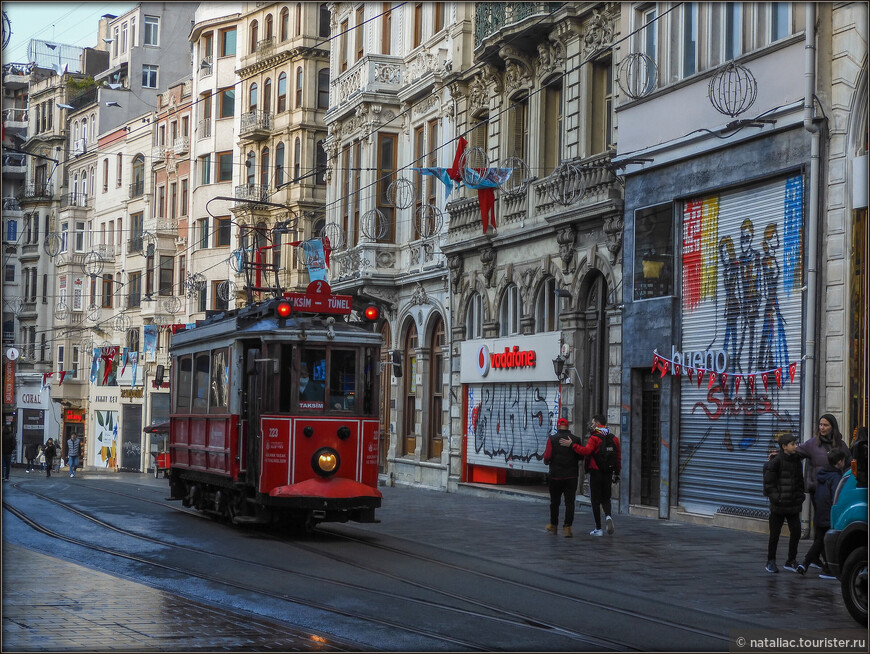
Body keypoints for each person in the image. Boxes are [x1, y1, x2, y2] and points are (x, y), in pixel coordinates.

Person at [797, 413, 851, 568]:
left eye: (825, 425)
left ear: (832, 427)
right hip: (818, 490)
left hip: (835, 490)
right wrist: (779, 455)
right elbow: (797, 453)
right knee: (824, 525)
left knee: (824, 526)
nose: (822, 428)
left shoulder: (840, 444)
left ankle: (815, 559)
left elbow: (848, 462)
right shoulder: (813, 444)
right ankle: (825, 562)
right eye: (820, 425)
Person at [797, 449, 846, 578]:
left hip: (819, 512)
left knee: (819, 541)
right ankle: (828, 569)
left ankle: (806, 564)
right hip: (829, 514)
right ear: (840, 462)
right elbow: (836, 496)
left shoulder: (822, 474)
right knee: (827, 541)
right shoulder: (836, 477)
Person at [572, 414, 621, 537]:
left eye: (593, 423)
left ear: (598, 424)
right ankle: (608, 516)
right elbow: (618, 458)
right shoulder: (614, 438)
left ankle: (598, 528)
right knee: (606, 498)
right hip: (608, 473)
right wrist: (617, 473)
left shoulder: (595, 438)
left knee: (595, 500)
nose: (592, 425)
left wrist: (573, 445)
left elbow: (586, 451)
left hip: (595, 472)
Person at [762, 433, 805, 573]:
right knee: (775, 534)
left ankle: (791, 560)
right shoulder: (776, 461)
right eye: (793, 444)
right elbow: (769, 483)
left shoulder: (796, 460)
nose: (796, 446)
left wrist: (800, 496)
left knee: (796, 532)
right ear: (784, 446)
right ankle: (771, 561)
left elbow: (799, 481)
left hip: (793, 504)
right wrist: (777, 498)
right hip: (778, 506)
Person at [543, 417, 584, 537]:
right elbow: (581, 457)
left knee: (554, 502)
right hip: (571, 476)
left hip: (555, 476)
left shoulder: (552, 439)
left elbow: (547, 456)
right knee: (570, 503)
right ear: (568, 426)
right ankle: (567, 527)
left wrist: (548, 462)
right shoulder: (576, 439)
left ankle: (553, 525)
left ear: (558, 426)